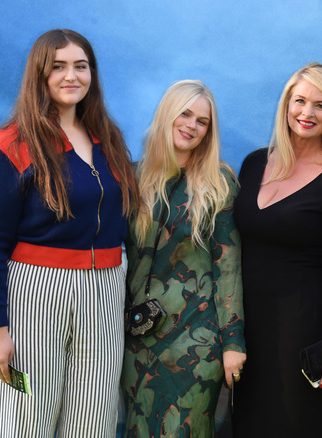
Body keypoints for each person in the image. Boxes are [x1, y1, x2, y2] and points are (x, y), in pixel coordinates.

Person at [0, 29, 139, 436]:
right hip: (37, 291)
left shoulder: (109, 141)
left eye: (81, 66)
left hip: (105, 291)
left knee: (92, 420)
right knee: (25, 422)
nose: (71, 76)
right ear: (39, 74)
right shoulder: (11, 144)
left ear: (92, 75)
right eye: (58, 66)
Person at [232, 63, 322, 437]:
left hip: (301, 331)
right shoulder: (255, 162)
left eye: (320, 105)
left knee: (294, 423)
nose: (307, 113)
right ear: (286, 105)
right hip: (248, 325)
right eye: (299, 101)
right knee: (248, 422)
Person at [120, 80, 245, 437]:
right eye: (185, 114)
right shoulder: (132, 177)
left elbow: (229, 267)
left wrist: (233, 342)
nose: (191, 125)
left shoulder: (219, 182)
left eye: (202, 121)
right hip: (135, 338)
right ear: (167, 114)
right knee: (138, 428)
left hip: (196, 340)